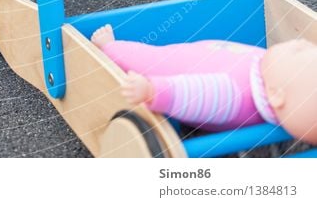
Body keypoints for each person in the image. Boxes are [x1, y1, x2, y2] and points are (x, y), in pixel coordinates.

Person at [91, 24, 317, 142]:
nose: (300, 42)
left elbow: (189, 94)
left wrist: (152, 90)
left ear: (276, 95)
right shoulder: (269, 74)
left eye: (298, 50)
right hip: (210, 55)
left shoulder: (232, 95)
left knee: (148, 58)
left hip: (179, 65)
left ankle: (110, 47)